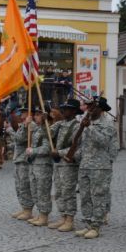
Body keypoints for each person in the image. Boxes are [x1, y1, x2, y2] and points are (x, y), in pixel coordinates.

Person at [74, 97, 116, 239]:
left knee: (98, 196)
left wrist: (89, 128)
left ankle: (96, 226)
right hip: (85, 165)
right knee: (85, 196)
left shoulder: (108, 124)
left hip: (100, 167)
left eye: (93, 107)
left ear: (101, 109)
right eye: (89, 106)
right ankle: (87, 224)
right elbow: (82, 144)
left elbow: (103, 142)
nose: (90, 109)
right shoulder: (87, 122)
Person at [48, 99, 81, 232]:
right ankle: (62, 216)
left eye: (67, 109)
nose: (64, 111)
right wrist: (47, 120)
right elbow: (47, 134)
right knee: (59, 191)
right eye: (63, 108)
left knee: (68, 191)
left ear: (73, 111)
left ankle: (69, 219)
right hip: (58, 164)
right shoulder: (60, 124)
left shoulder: (78, 126)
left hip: (68, 163)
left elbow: (77, 147)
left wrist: (59, 152)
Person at [25, 107, 54, 227]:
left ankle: (44, 215)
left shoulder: (47, 129)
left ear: (44, 116)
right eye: (35, 114)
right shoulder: (37, 129)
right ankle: (39, 213)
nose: (35, 117)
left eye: (38, 114)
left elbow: (47, 148)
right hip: (34, 164)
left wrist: (33, 150)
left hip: (43, 164)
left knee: (43, 191)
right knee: (35, 190)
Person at [4, 107, 35, 220]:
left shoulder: (30, 126)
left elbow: (21, 139)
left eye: (23, 113)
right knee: (19, 186)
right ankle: (23, 207)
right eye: (20, 112)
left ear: (29, 113)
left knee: (24, 185)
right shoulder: (23, 125)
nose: (21, 114)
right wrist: (9, 146)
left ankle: (28, 210)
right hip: (18, 159)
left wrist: (9, 130)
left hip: (24, 160)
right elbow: (18, 143)